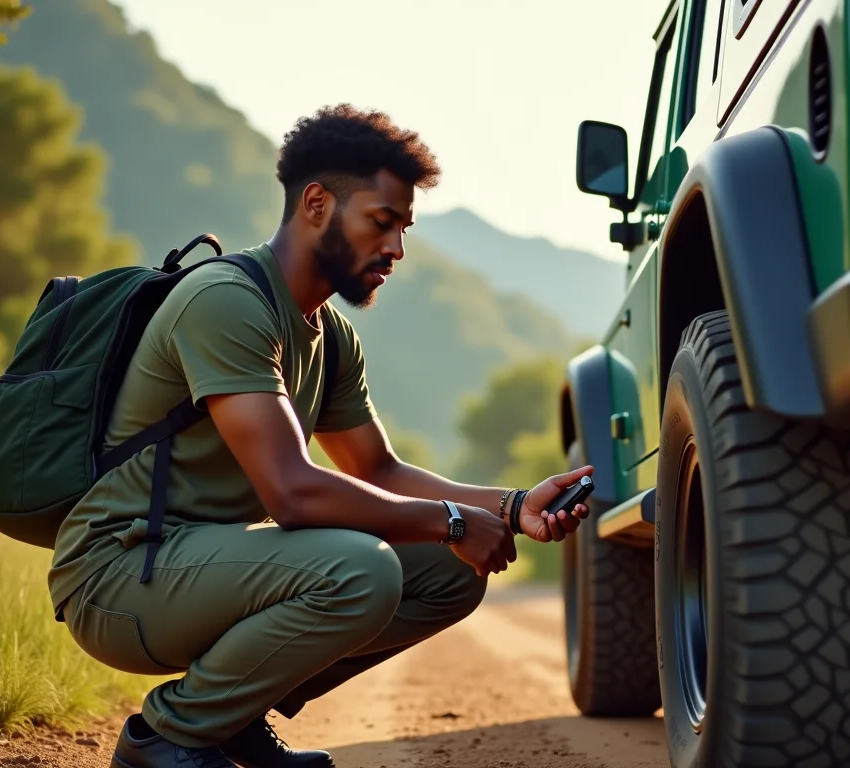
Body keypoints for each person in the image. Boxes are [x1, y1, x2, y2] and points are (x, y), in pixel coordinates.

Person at [48, 103, 594, 768]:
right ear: (316, 204)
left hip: (199, 567)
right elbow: (293, 494)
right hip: (117, 574)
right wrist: (451, 520)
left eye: (403, 230)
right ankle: (170, 737)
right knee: (363, 570)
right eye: (381, 222)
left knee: (450, 572)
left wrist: (510, 506)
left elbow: (379, 471)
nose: (396, 249)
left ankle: (230, 714)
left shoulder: (330, 337)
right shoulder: (226, 300)